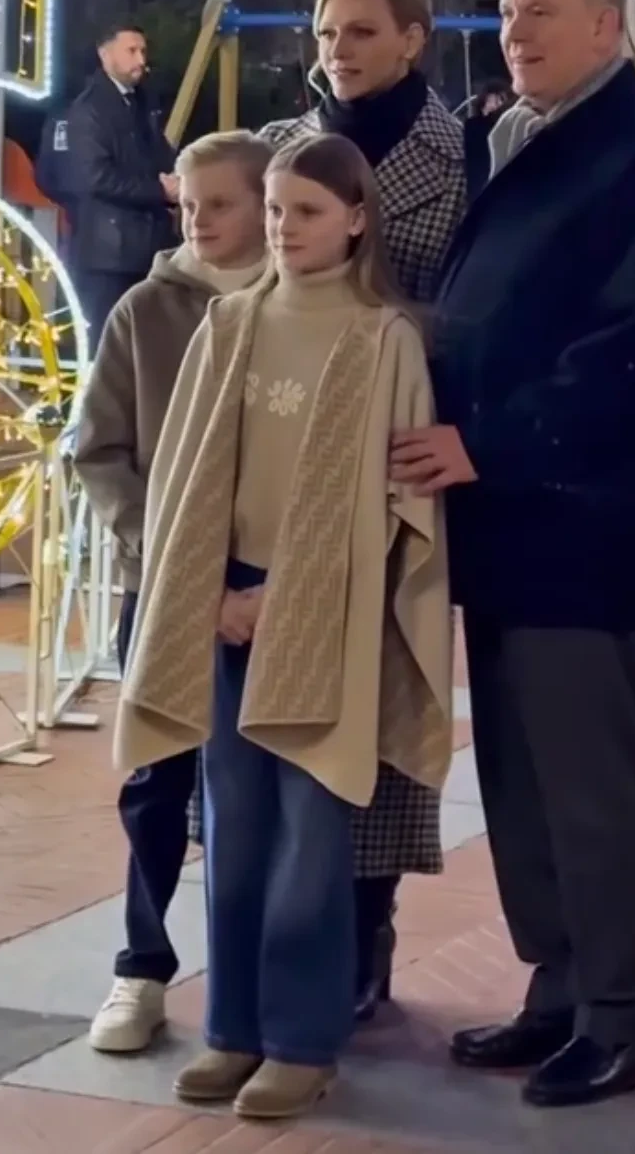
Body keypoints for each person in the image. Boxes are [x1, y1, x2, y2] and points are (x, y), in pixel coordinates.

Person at [393, 0, 635, 1109]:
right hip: (504, 516)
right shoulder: (528, 137)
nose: (516, 32)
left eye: (541, 13)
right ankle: (560, 989)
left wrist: (491, 439)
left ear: (606, 27)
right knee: (521, 775)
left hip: (576, 519)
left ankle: (618, 1017)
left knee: (585, 779)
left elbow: (634, 355)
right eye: (509, 12)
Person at [116, 134, 452, 1122]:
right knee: (234, 823)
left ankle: (302, 1042)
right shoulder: (231, 322)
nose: (284, 229)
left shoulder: (385, 339)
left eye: (307, 212)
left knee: (311, 831)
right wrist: (213, 595)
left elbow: (393, 503)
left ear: (356, 219)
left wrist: (291, 596)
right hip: (225, 599)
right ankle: (234, 1028)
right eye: (274, 211)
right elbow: (185, 477)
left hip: (328, 607)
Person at [259, 0, 464, 1020]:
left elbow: (467, 307)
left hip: (392, 449)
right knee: (281, 693)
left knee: (377, 690)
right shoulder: (281, 148)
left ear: (413, 40)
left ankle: (365, 925)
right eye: (328, 31)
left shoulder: (461, 158)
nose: (338, 49)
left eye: (363, 32)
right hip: (281, 449)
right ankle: (283, 926)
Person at [75, 132, 273, 1055]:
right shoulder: (145, 311)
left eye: (219, 203)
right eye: (187, 205)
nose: (198, 220)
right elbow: (100, 451)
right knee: (157, 778)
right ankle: (141, 967)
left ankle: (262, 979)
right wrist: (172, 564)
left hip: (269, 590)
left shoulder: (299, 308)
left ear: (264, 205)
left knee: (268, 786)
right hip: (161, 584)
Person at [63, 26, 179, 352]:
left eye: (143, 51)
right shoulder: (88, 110)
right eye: (131, 51)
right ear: (105, 54)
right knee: (108, 347)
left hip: (144, 248)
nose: (141, 60)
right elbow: (95, 177)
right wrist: (160, 191)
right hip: (109, 257)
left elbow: (158, 155)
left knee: (145, 348)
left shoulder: (141, 103)